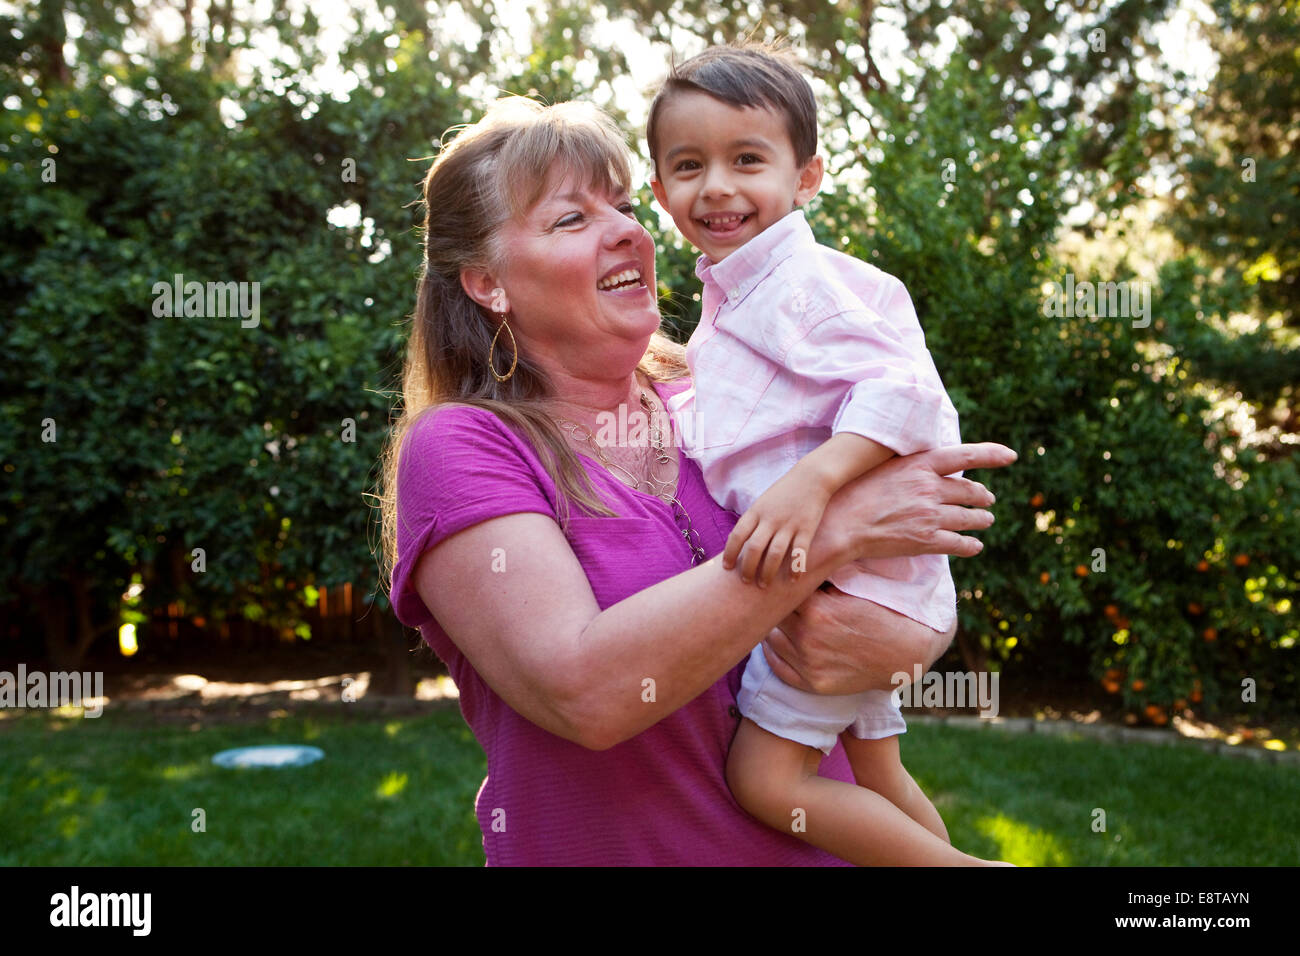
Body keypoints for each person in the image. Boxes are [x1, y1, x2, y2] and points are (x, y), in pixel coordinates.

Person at [379, 94, 1017, 866]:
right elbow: (586, 692)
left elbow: (898, 564)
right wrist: (835, 531)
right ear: (488, 283)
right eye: (571, 220)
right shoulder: (466, 447)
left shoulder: (726, 394)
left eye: (620, 203)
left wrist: (901, 643)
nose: (626, 229)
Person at [646, 44, 999, 865]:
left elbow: (904, 390)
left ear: (805, 178)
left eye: (747, 159)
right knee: (877, 774)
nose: (718, 186)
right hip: (864, 584)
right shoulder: (736, 298)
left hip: (842, 587)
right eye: (689, 164)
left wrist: (814, 482)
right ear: (660, 192)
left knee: (767, 782)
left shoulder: (796, 284)